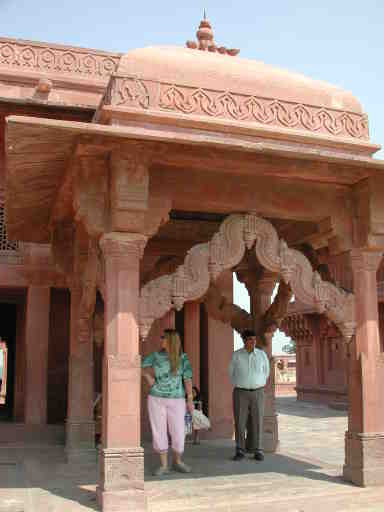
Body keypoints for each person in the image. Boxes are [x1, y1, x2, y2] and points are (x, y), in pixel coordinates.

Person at [142, 329, 194, 476]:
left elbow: (187, 378)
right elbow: (140, 366)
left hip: (177, 399)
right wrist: (148, 378)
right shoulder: (156, 356)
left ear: (171, 340)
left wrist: (190, 399)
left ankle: (177, 461)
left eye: (164, 338)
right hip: (156, 398)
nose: (161, 340)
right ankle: (164, 465)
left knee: (178, 432)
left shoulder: (182, 358)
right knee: (159, 431)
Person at [228, 329, 270, 461]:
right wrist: (242, 384)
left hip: (258, 392)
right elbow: (231, 373)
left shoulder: (262, 355)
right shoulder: (237, 355)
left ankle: (258, 449)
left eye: (254, 339)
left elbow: (266, 372)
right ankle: (240, 449)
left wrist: (257, 383)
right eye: (250, 340)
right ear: (244, 341)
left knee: (258, 420)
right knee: (240, 421)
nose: (253, 342)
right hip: (241, 392)